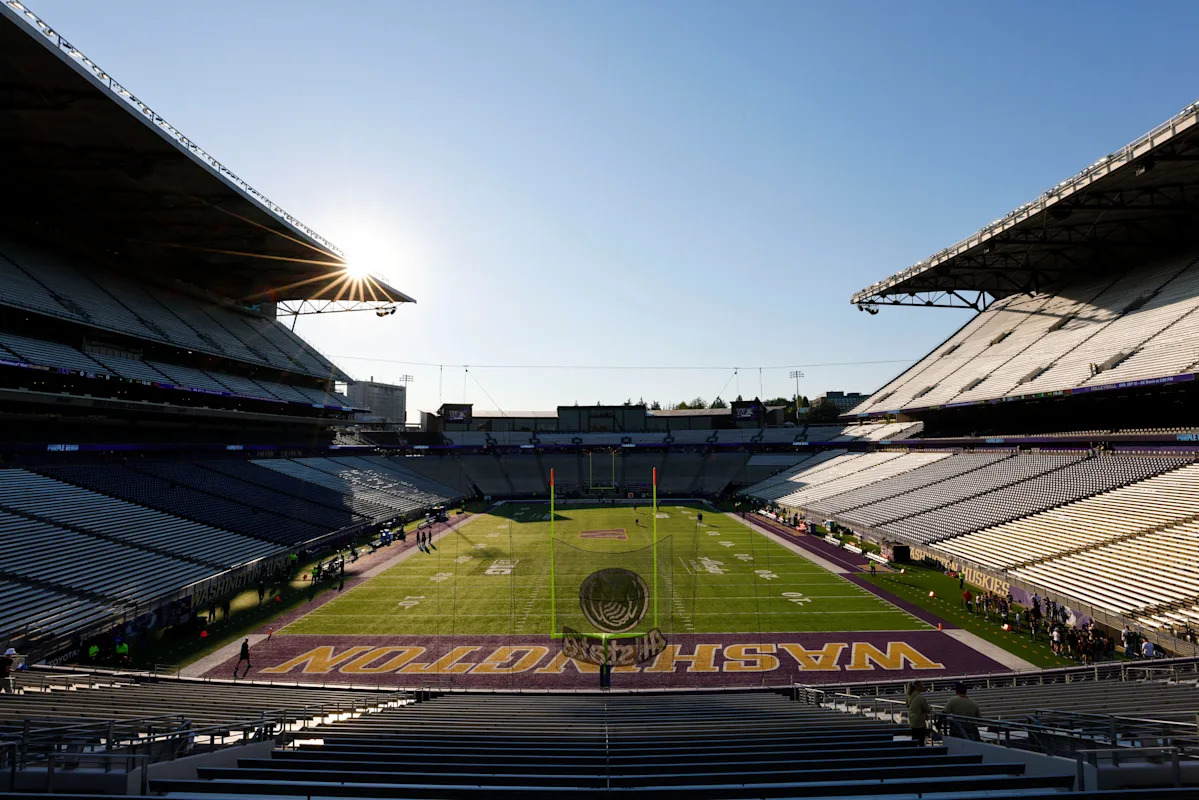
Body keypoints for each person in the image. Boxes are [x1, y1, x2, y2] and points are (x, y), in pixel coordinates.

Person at [906, 680, 931, 745]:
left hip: (912, 719)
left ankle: (914, 751)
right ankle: (921, 752)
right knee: (921, 739)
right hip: (919, 720)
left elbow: (907, 705)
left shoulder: (909, 695)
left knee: (914, 737)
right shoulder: (920, 697)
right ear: (918, 687)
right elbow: (927, 709)